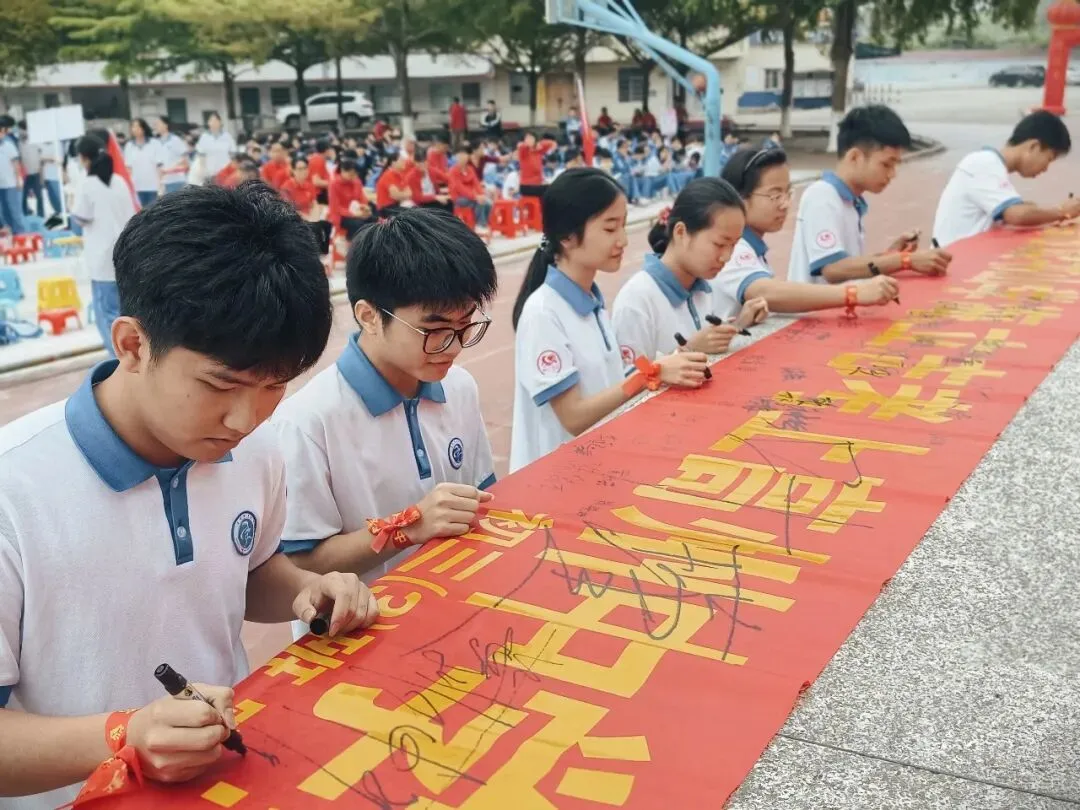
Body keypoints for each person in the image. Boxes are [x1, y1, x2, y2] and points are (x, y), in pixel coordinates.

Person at [0, 183, 378, 810]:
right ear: (131, 345)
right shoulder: (15, 490)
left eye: (274, 386)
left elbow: (250, 572)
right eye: (219, 384)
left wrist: (309, 590)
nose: (243, 417)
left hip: (228, 784)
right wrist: (121, 737)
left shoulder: (256, 449)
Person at [273, 209, 497, 636]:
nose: (453, 346)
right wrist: (407, 527)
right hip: (359, 644)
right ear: (369, 315)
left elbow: (483, 497)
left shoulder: (459, 387)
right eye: (434, 328)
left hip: (457, 616)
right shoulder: (308, 422)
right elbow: (297, 566)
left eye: (466, 325)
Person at [509, 168, 708, 472]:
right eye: (610, 228)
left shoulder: (593, 302)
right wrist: (651, 373)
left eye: (624, 226)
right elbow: (574, 417)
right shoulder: (543, 313)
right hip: (553, 484)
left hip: (593, 470)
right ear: (567, 236)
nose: (623, 240)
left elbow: (613, 381)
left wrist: (664, 365)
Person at [713, 147, 899, 320]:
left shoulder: (752, 248)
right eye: (775, 195)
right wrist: (853, 293)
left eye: (788, 193)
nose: (785, 204)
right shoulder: (733, 249)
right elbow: (766, 292)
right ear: (739, 199)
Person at [788, 105, 952, 285]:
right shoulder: (822, 196)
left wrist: (891, 254)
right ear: (855, 157)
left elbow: (850, 265)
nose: (892, 174)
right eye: (886, 165)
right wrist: (905, 260)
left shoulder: (852, 201)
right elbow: (833, 269)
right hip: (811, 312)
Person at [612, 178, 761, 363]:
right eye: (720, 244)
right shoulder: (637, 300)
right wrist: (687, 349)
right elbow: (628, 383)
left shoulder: (704, 287)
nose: (727, 256)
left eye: (734, 245)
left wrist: (739, 324)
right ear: (681, 232)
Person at [933, 110, 1080, 247]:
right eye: (1048, 159)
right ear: (1033, 147)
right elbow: (1017, 215)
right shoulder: (984, 163)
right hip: (953, 256)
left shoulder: (990, 164)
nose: (1045, 169)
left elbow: (1019, 210)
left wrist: (1038, 212)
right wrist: (1062, 212)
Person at [69, 135, 137, 353]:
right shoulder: (119, 181)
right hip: (126, 253)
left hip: (101, 258)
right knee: (126, 314)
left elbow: (80, 217)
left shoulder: (87, 184)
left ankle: (118, 362)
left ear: (84, 158)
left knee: (107, 315)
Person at [328, 157, 373, 240]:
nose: (354, 176)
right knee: (357, 224)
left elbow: (361, 197)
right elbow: (336, 207)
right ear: (342, 171)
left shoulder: (356, 180)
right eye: (351, 174)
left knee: (373, 215)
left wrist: (365, 207)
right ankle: (352, 241)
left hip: (356, 209)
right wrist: (354, 214)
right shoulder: (334, 184)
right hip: (341, 215)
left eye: (356, 174)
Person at [448, 145, 491, 231]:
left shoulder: (470, 169)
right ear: (456, 157)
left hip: (472, 197)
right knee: (479, 203)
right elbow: (460, 188)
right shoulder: (453, 171)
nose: (463, 157)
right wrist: (476, 197)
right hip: (458, 198)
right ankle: (480, 225)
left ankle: (484, 223)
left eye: (465, 155)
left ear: (468, 156)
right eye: (460, 155)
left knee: (488, 203)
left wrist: (481, 194)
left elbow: (476, 184)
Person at [123, 118, 164, 208]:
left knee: (152, 213)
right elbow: (128, 168)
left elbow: (159, 166)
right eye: (133, 127)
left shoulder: (155, 144)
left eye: (137, 127)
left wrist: (161, 186)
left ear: (143, 128)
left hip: (153, 187)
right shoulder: (129, 146)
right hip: (136, 187)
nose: (135, 129)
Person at [0, 115, 25, 234]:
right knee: (4, 213)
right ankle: (9, 236)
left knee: (14, 211)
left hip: (10, 184)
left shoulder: (8, 144)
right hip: (1, 185)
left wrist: (18, 179)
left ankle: (20, 235)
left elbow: (16, 163)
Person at [195, 112, 236, 181]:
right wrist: (201, 171)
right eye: (211, 121)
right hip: (209, 174)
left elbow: (233, 156)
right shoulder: (204, 137)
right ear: (208, 123)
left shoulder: (227, 136)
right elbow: (201, 156)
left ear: (220, 122)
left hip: (225, 174)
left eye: (216, 121)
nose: (213, 123)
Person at [153, 116, 188, 194]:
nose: (156, 126)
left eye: (158, 124)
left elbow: (185, 162)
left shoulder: (175, 140)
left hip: (176, 181)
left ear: (165, 125)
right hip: (163, 183)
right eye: (155, 124)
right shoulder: (156, 143)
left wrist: (168, 170)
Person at [517, 131, 557, 198]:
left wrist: (541, 144)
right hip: (527, 186)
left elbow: (553, 143)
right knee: (551, 191)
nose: (528, 140)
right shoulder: (524, 152)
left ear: (535, 140)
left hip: (537, 184)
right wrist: (527, 144)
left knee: (554, 189)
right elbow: (520, 145)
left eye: (531, 138)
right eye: (527, 138)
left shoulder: (538, 151)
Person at [17, 122, 44, 219]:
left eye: (22, 129)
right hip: (24, 174)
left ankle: (41, 216)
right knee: (23, 197)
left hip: (35, 172)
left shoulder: (36, 141)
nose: (21, 132)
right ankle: (25, 216)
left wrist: (41, 173)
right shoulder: (18, 143)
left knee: (39, 196)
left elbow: (42, 155)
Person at [307, 138, 336, 204]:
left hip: (320, 193)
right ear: (326, 150)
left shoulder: (318, 159)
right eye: (330, 149)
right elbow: (316, 181)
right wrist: (333, 184)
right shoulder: (318, 160)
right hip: (319, 194)